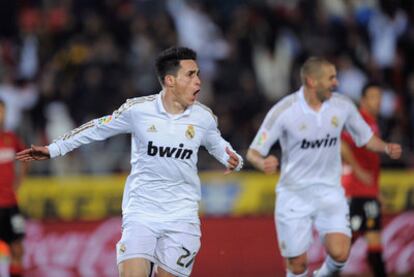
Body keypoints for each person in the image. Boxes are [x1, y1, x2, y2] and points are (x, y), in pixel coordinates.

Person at [16, 46, 243, 277]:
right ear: (170, 80)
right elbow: (96, 128)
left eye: (198, 74)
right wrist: (54, 149)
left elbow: (217, 144)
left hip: (182, 217)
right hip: (141, 212)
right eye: (191, 74)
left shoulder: (203, 117)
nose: (199, 82)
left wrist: (231, 158)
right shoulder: (138, 110)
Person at [246, 57, 402, 277]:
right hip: (294, 194)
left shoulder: (342, 106)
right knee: (298, 264)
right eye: (331, 78)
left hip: (330, 191)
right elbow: (253, 152)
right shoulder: (284, 111)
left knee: (340, 253)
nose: (336, 83)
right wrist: (263, 162)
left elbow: (365, 138)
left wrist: (385, 147)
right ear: (312, 81)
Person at [341, 82, 387, 277]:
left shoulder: (373, 123)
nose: (378, 102)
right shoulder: (359, 121)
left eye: (379, 97)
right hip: (354, 191)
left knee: (372, 241)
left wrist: (376, 192)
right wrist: (358, 171)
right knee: (343, 246)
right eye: (373, 97)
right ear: (364, 100)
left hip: (366, 192)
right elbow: (341, 144)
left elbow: (372, 163)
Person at [0, 99, 28, 277]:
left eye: (1, 112)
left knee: (17, 249)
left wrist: (19, 180)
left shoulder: (11, 138)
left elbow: (25, 157)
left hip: (11, 205)